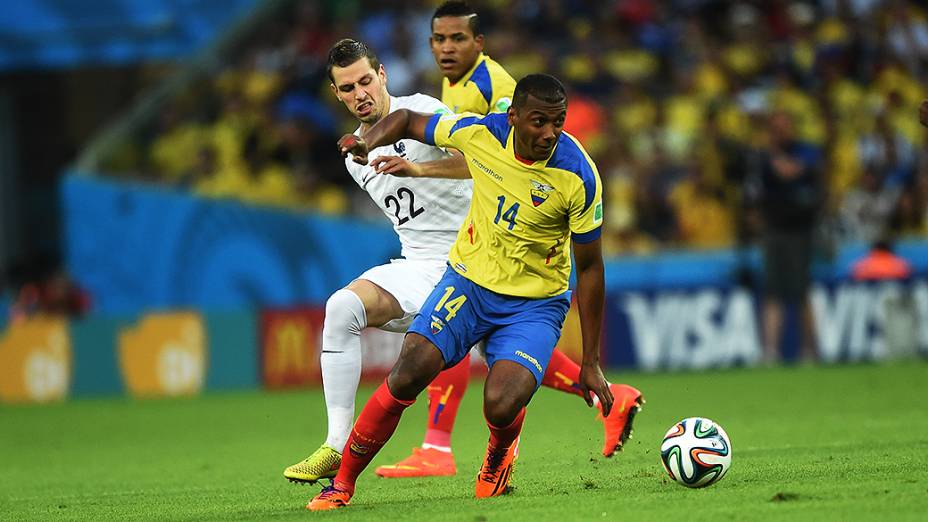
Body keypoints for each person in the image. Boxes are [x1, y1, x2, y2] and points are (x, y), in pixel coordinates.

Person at [308, 73, 633, 510]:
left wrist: (590, 362)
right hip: (469, 283)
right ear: (513, 117)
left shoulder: (578, 175)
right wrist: (369, 144)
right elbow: (404, 119)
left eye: (558, 122)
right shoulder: (479, 134)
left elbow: (591, 268)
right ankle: (342, 484)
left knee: (500, 403)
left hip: (534, 305)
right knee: (410, 369)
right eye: (539, 122)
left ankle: (498, 456)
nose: (550, 133)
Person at [374, 0, 641, 479]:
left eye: (458, 39)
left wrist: (420, 168)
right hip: (487, 217)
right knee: (469, 336)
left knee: (459, 331)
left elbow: (493, 151)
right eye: (439, 39)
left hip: (503, 222)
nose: (447, 48)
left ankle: (438, 445)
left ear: (480, 43)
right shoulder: (455, 83)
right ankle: (607, 397)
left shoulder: (495, 87)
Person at [282, 38, 475, 485]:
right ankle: (335, 445)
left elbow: (475, 160)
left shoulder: (422, 110)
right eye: (347, 88)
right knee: (340, 308)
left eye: (366, 80)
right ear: (337, 94)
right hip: (422, 265)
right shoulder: (355, 156)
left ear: (383, 74)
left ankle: (609, 397)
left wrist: (419, 168)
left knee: (515, 368)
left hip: (473, 259)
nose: (360, 93)